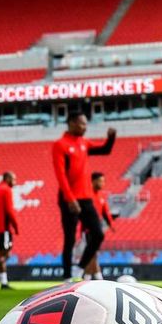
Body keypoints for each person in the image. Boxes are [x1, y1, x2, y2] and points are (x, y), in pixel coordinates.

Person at [53, 112, 116, 281]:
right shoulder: (60, 145)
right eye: (82, 123)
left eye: (86, 123)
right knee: (70, 239)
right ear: (72, 123)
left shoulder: (83, 143)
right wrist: (70, 198)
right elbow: (61, 175)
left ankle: (79, 269)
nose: (85, 127)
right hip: (69, 198)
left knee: (98, 234)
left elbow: (105, 150)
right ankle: (67, 277)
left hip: (86, 197)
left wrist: (111, 138)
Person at [84, 171, 116, 280]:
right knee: (92, 253)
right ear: (93, 182)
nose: (103, 184)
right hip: (88, 229)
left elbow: (105, 212)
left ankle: (88, 278)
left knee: (92, 254)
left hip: (97, 229)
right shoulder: (87, 196)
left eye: (104, 181)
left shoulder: (101, 197)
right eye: (100, 181)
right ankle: (97, 277)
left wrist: (111, 224)